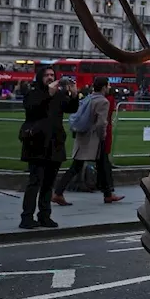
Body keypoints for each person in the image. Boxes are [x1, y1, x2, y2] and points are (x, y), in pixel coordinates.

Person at [19, 64, 79, 229]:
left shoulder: (59, 95)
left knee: (48, 183)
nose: (50, 78)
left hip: (54, 143)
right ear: (40, 77)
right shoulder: (33, 93)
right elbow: (32, 110)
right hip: (36, 143)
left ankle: (45, 215)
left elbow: (71, 109)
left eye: (52, 75)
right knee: (35, 182)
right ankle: (27, 217)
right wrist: (48, 94)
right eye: (47, 75)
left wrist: (74, 95)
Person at [53, 77, 123, 205]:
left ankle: (108, 194)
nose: (109, 88)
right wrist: (103, 136)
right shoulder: (103, 101)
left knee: (98, 165)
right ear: (103, 87)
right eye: (107, 86)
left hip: (83, 136)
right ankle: (58, 192)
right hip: (94, 139)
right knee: (80, 166)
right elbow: (101, 123)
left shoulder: (88, 98)